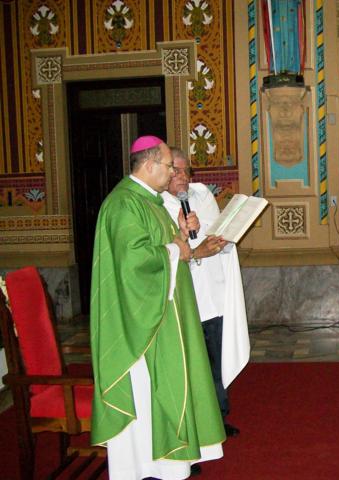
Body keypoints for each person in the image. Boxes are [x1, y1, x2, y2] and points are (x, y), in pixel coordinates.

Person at [90, 136, 227, 479]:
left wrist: (179, 237)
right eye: (169, 166)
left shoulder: (148, 201)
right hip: (141, 326)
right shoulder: (124, 204)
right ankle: (140, 467)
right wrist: (174, 249)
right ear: (149, 165)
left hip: (162, 316)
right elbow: (132, 262)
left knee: (163, 393)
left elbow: (165, 247)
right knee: (147, 395)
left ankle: (164, 464)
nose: (173, 174)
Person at [161, 147, 250, 437]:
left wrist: (222, 242)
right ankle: (193, 426)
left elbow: (218, 232)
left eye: (186, 170)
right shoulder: (156, 204)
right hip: (183, 298)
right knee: (190, 365)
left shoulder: (201, 195)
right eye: (175, 171)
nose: (183, 177)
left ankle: (218, 417)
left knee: (216, 361)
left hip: (213, 294)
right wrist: (196, 249)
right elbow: (165, 255)